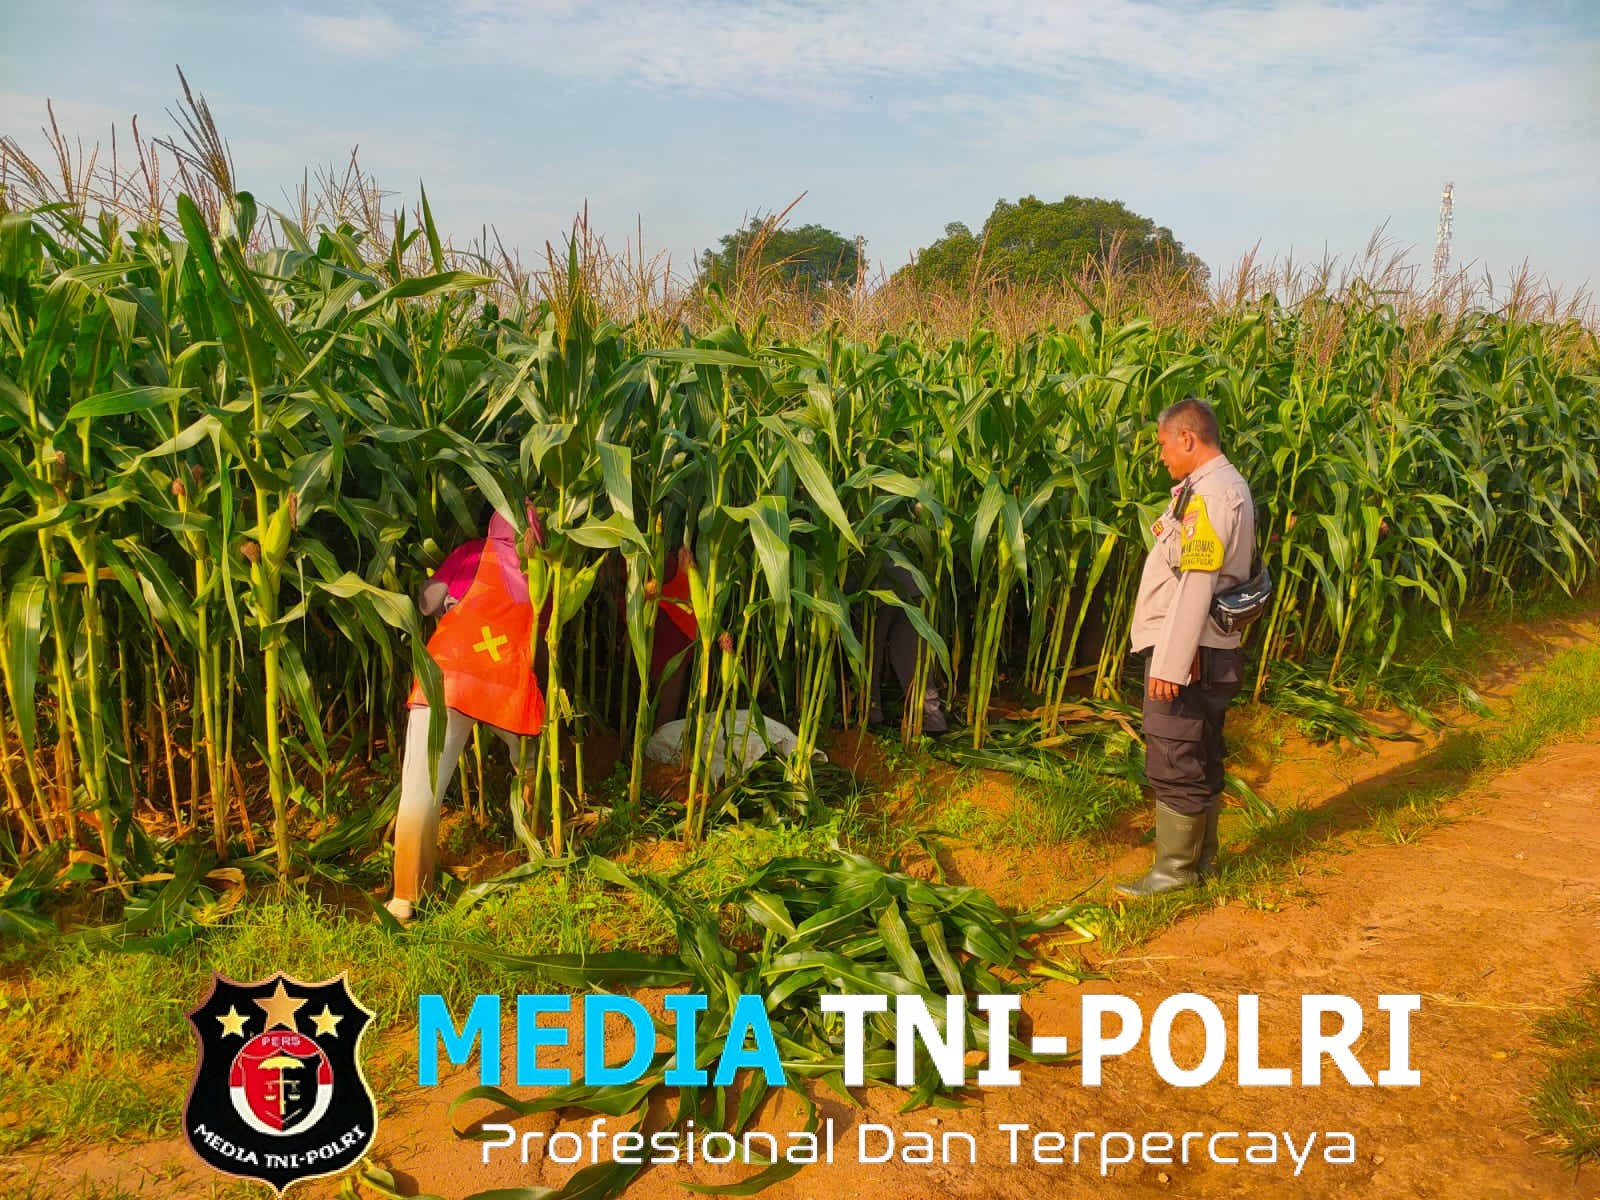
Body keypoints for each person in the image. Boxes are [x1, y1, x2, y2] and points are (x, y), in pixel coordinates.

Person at [1117, 397, 1255, 897]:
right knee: (1201, 751)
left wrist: (1172, 663)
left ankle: (1173, 874)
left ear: (1188, 439)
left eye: (1163, 445)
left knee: (1173, 754)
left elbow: (1197, 581)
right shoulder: (1215, 486)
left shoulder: (1213, 495)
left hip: (1191, 650)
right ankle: (1202, 865)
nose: (1161, 456)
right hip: (1207, 646)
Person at [386, 503, 547, 923]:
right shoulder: (543, 573)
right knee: (529, 766)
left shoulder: (472, 552)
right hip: (504, 688)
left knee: (421, 788)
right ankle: (536, 853)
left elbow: (425, 604)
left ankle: (406, 897)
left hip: (446, 678)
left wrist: (439, 592)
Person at [867, 555, 948, 735]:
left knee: (869, 652)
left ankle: (870, 714)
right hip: (909, 579)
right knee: (910, 654)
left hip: (874, 584)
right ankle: (933, 718)